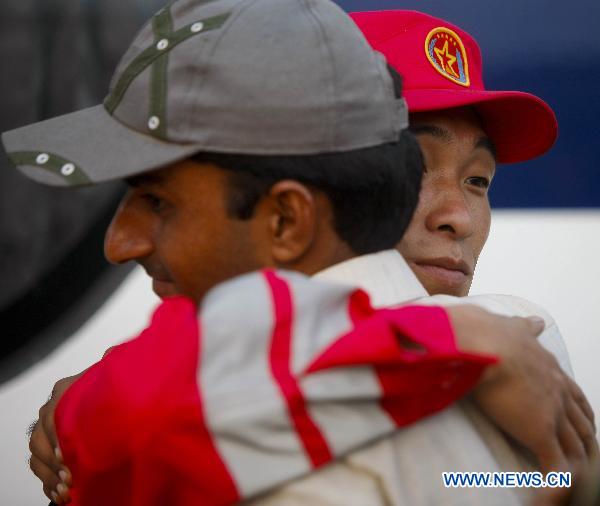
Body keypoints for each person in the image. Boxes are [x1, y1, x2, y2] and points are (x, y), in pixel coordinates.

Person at [3, 1, 594, 504]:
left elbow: (147, 410)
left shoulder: (512, 333)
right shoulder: (502, 348)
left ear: (296, 206)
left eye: (478, 181)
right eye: (414, 165)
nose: (459, 217)